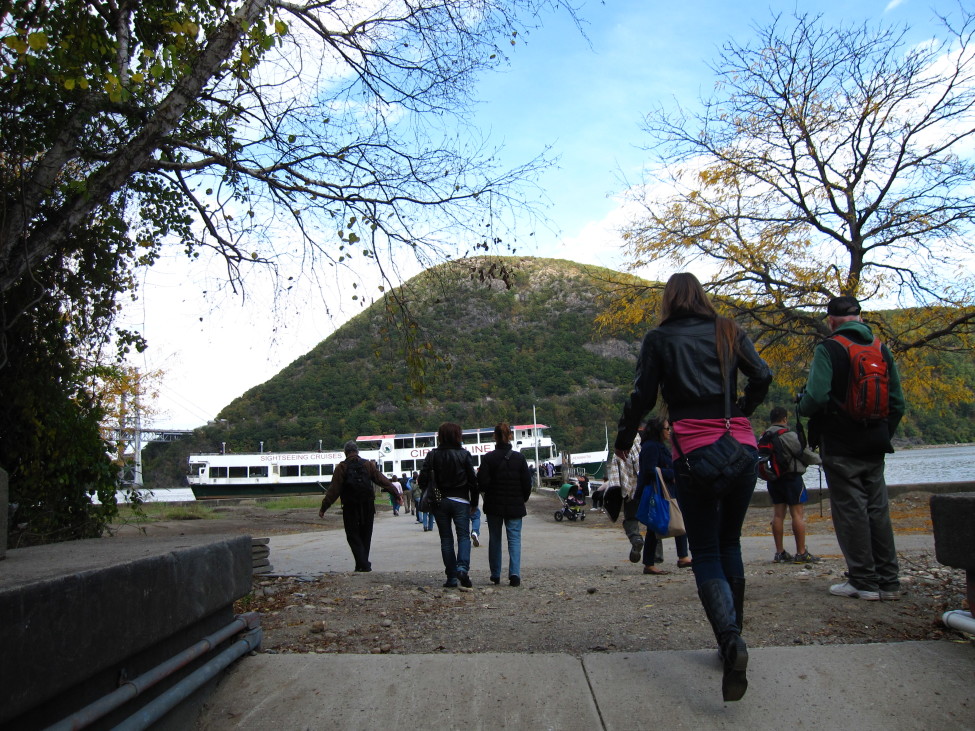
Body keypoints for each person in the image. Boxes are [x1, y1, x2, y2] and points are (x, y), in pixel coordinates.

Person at [615, 272, 771, 702]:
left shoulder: (659, 339)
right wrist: (741, 410)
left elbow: (643, 396)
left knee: (704, 550)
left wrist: (625, 437)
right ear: (701, 296)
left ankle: (730, 639)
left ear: (669, 301)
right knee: (730, 544)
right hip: (740, 447)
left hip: (694, 452)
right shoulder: (728, 329)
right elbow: (762, 376)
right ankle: (733, 642)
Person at [798, 296, 905, 601]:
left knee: (850, 509)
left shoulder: (828, 348)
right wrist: (883, 433)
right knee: (877, 508)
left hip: (840, 441)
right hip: (875, 441)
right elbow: (897, 403)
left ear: (831, 320)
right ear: (860, 317)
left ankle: (863, 581)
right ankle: (889, 581)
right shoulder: (881, 348)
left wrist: (802, 407)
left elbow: (816, 397)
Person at [318, 441, 396, 572]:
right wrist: (396, 493)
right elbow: (381, 480)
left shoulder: (341, 467)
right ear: (357, 451)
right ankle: (362, 563)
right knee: (366, 534)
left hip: (350, 505)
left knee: (353, 535)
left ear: (345, 452)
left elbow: (334, 490)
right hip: (368, 504)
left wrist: (324, 507)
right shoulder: (368, 464)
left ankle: (362, 564)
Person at [419, 422, 479, 588]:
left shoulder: (432, 455)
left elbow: (422, 480)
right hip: (461, 500)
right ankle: (462, 568)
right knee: (463, 536)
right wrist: (474, 502)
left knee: (446, 539)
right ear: (458, 435)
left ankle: (451, 577)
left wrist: (433, 493)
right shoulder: (464, 455)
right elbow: (473, 482)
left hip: (440, 501)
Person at [762, 406, 822, 564]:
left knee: (778, 515)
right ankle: (801, 552)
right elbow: (803, 453)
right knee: (797, 514)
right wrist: (822, 461)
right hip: (791, 478)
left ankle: (779, 552)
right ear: (784, 419)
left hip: (774, 480)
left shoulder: (765, 435)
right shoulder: (788, 435)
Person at [477, 422, 532, 586]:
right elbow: (527, 483)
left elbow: (482, 483)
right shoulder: (519, 458)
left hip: (494, 504)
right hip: (515, 503)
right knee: (514, 538)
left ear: (494, 436)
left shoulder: (488, 458)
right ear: (510, 437)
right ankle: (514, 574)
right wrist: (523, 498)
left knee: (495, 538)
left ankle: (495, 574)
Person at [638, 416, 692, 573]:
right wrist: (672, 474)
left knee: (676, 518)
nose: (669, 431)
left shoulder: (657, 446)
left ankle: (682, 556)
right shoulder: (651, 447)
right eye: (667, 428)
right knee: (655, 525)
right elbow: (649, 470)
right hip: (658, 491)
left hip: (665, 490)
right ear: (658, 431)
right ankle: (649, 563)